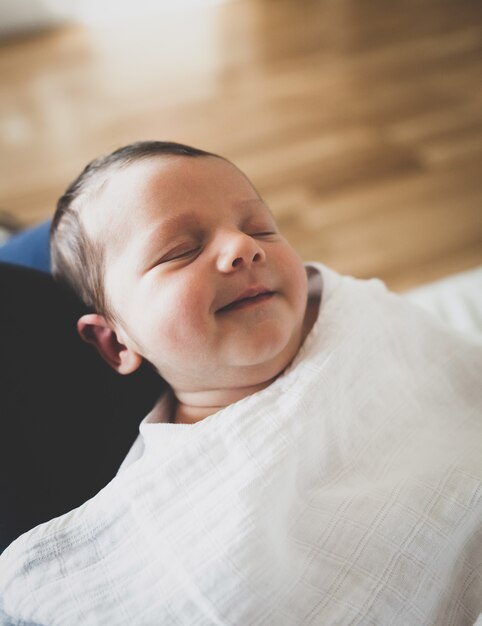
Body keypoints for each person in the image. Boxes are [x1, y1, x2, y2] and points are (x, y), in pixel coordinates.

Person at [1, 141, 481, 625]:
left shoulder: (353, 316)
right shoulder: (168, 505)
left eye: (260, 228)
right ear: (115, 342)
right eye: (181, 250)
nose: (243, 247)